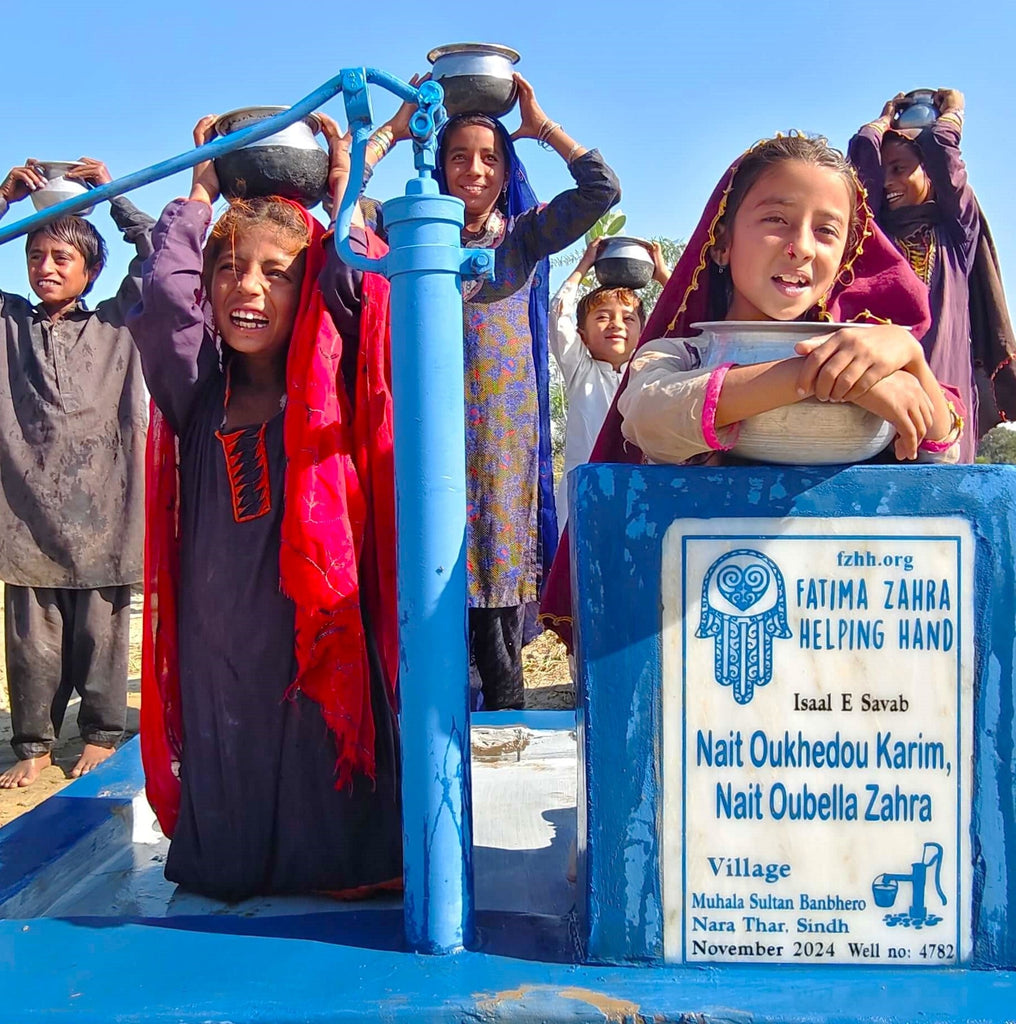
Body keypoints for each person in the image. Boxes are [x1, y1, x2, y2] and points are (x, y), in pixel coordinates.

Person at [540, 133, 963, 650]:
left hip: (843, 624)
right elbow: (649, 416)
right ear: (721, 242)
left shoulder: (876, 354)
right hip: (695, 624)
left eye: (827, 230)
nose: (801, 246)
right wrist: (810, 376)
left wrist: (909, 355)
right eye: (776, 220)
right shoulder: (681, 356)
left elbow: (943, 443)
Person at [128, 116, 401, 900]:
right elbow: (161, 300)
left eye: (277, 273)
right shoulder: (197, 391)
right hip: (220, 634)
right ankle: (236, 862)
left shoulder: (329, 383)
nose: (249, 287)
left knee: (316, 746)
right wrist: (201, 191)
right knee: (232, 745)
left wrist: (346, 185)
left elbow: (362, 284)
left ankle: (335, 866)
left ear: (304, 285)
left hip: (317, 621)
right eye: (231, 269)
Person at [367, 74, 620, 709]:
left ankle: (501, 724)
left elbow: (602, 190)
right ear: (439, 163)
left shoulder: (524, 236)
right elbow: (342, 198)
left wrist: (544, 129)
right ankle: (437, 727)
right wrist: (395, 132)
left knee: (497, 598)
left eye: (489, 158)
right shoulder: (410, 233)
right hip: (430, 429)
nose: (474, 170)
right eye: (459, 156)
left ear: (507, 171)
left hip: (503, 439)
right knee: (429, 577)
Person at [0, 158, 152, 789]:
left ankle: (100, 733)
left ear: (91, 270)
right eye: (36, 255)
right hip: (26, 509)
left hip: (107, 504)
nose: (47, 267)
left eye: (63, 256)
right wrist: (3, 197)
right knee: (31, 641)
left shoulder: (118, 323)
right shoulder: (9, 325)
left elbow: (160, 257)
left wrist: (114, 195)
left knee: (102, 632)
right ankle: (33, 743)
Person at [848, 90, 1016, 460]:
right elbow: (860, 169)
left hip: (945, 405)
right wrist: (879, 124)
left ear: (930, 172)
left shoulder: (957, 232)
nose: (888, 182)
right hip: (881, 406)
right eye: (884, 171)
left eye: (900, 168)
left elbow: (941, 149)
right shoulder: (875, 236)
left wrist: (953, 113)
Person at [550, 238, 670, 527]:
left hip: (643, 490)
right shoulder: (581, 371)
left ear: (644, 332)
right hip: (586, 494)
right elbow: (557, 314)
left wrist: (663, 273)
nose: (616, 324)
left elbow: (684, 316)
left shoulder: (651, 368)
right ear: (582, 335)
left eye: (628, 319)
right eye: (603, 317)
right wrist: (585, 264)